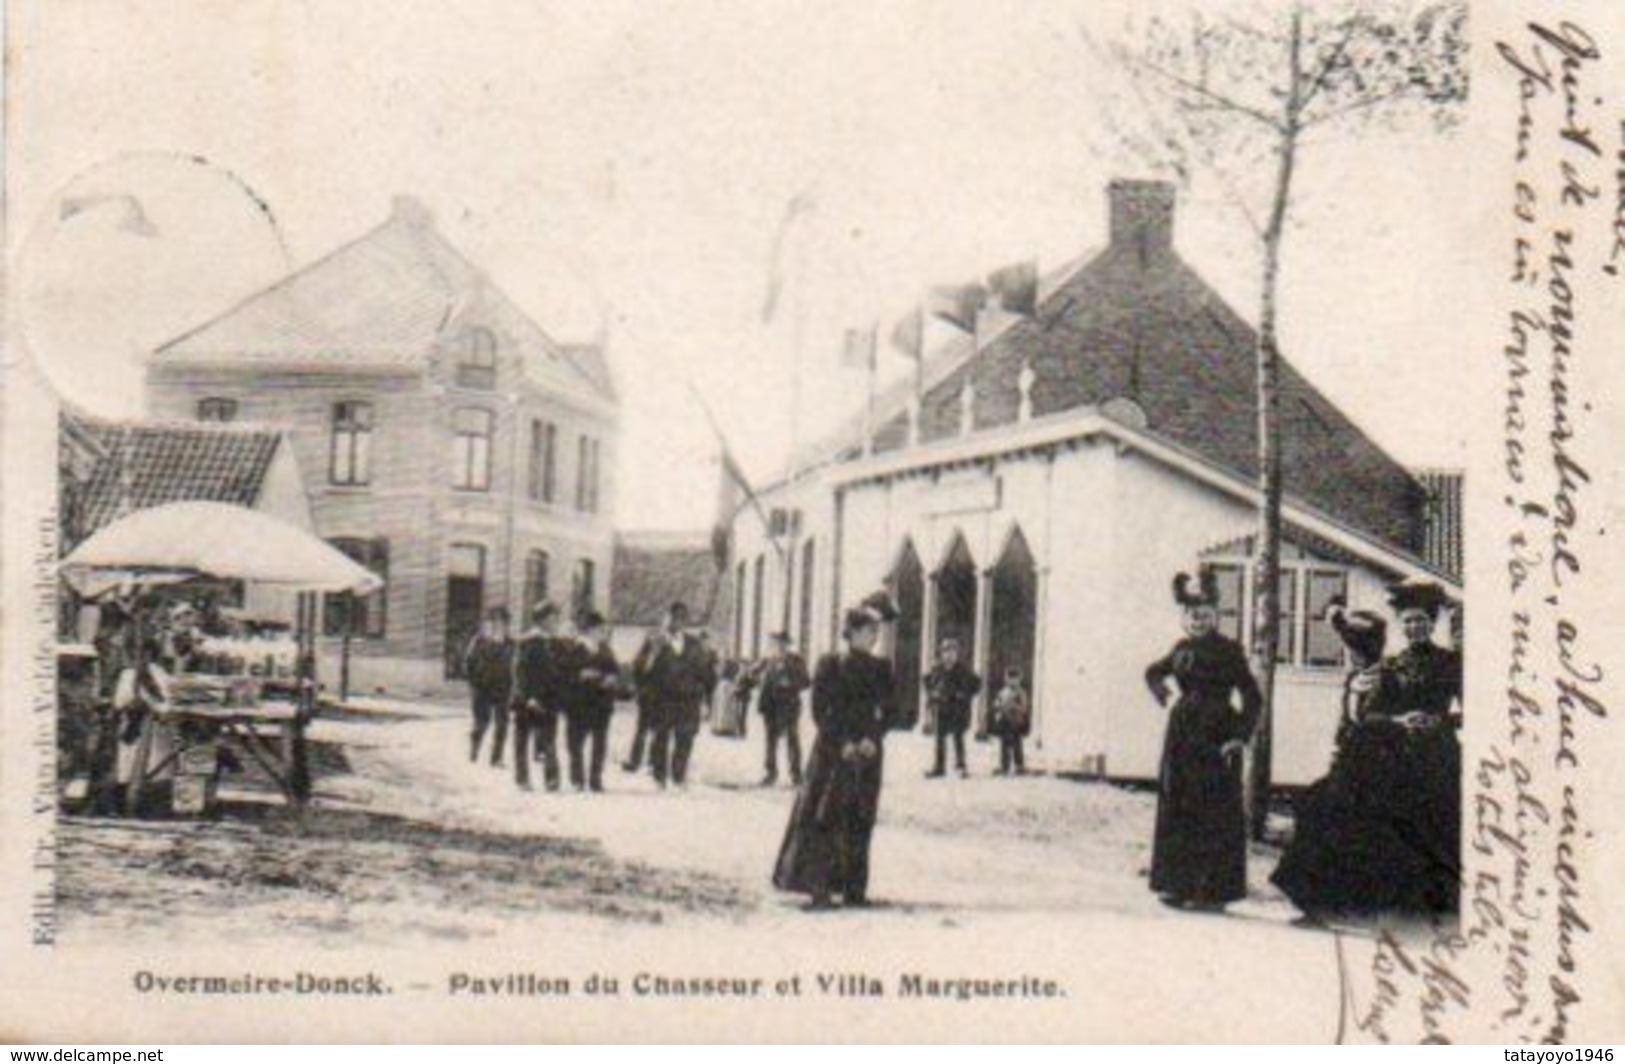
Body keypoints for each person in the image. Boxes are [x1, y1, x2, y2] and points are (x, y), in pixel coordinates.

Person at [1143, 571, 1262, 912]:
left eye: (1205, 615)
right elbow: (1152, 671)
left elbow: (1252, 696)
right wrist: (1163, 693)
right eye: (1192, 615)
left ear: (1216, 616)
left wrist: (1239, 736)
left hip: (1217, 736)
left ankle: (1214, 891)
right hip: (1182, 736)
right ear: (1184, 618)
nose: (1198, 621)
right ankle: (1176, 886)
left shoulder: (1229, 651)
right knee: (1178, 805)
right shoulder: (1180, 649)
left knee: (1215, 811)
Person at [772, 601, 897, 910]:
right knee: (823, 818)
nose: (875, 637)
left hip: (868, 755)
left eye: (877, 631)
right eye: (869, 631)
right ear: (852, 632)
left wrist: (874, 737)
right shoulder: (830, 664)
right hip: (831, 753)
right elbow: (819, 711)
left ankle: (855, 891)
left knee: (861, 818)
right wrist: (842, 743)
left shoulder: (881, 668)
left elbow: (892, 710)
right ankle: (820, 890)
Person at [633, 602, 714, 787]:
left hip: (688, 699)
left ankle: (678, 776)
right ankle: (659, 776)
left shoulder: (694, 644)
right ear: (665, 619)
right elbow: (639, 669)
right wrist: (653, 653)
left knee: (685, 738)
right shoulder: (654, 641)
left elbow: (704, 673)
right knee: (661, 737)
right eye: (671, 618)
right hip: (663, 698)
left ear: (684, 621)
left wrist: (706, 701)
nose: (675, 623)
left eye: (680, 619)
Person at [562, 610, 622, 793]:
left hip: (601, 703)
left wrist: (612, 677)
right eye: (599, 629)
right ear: (588, 630)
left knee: (599, 743)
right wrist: (581, 675)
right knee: (575, 742)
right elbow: (564, 675)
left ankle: (595, 779)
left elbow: (615, 669)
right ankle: (577, 779)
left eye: (602, 629)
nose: (602, 632)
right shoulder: (573, 649)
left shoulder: (605, 649)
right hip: (578, 703)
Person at [511, 601, 565, 791]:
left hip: (549, 699)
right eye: (553, 618)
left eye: (557, 618)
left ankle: (552, 778)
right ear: (541, 620)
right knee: (522, 739)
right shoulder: (527, 642)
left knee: (549, 739)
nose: (556, 622)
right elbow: (520, 672)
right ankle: (522, 778)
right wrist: (528, 697)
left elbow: (561, 672)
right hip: (528, 699)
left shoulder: (557, 643)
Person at [756, 631, 811, 786]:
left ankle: (796, 774)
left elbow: (806, 681)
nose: (779, 647)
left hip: (789, 706)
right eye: (776, 644)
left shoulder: (797, 661)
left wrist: (791, 683)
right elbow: (752, 674)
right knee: (770, 740)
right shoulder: (768, 660)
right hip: (770, 706)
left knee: (792, 739)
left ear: (788, 645)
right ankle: (770, 772)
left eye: (782, 644)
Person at [462, 606, 514, 766]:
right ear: (489, 623)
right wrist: (474, 682)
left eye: (502, 622)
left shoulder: (511, 643)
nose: (499, 626)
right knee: (481, 722)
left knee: (502, 724)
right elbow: (468, 662)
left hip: (502, 689)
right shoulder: (479, 641)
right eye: (495, 622)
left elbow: (515, 665)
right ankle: (474, 748)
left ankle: (496, 757)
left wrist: (513, 686)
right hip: (482, 688)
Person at [923, 638, 981, 778]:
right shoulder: (936, 669)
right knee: (939, 739)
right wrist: (932, 694)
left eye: (952, 651)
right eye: (946, 651)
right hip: (941, 708)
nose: (949, 655)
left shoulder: (963, 670)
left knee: (958, 738)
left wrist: (964, 695)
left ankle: (960, 765)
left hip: (957, 709)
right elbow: (926, 681)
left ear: (957, 654)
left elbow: (976, 684)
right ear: (941, 654)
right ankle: (938, 767)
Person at [989, 667, 1030, 776]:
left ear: (1019, 679)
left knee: (1017, 744)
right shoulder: (1003, 692)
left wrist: (1015, 706)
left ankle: (1019, 765)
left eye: (1015, 678)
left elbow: (1024, 707)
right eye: (1010, 678)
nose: (1012, 681)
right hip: (1005, 721)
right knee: (1004, 744)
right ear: (1006, 679)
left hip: (1016, 721)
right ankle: (1004, 765)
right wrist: (998, 707)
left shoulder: (1021, 692)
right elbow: (997, 703)